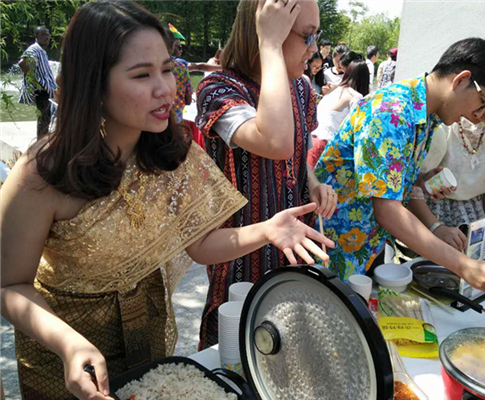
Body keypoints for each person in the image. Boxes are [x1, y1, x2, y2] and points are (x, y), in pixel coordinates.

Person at [0, 2, 334, 400]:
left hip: (147, 332)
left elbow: (201, 245)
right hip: (61, 351)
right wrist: (67, 343)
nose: (166, 88)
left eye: (166, 68)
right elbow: (10, 284)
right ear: (94, 83)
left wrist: (267, 230)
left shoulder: (174, 154)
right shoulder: (44, 171)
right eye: (142, 74)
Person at [314, 38, 485, 297]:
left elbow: (388, 186)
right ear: (461, 80)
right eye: (484, 101)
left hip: (364, 249)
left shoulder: (426, 117)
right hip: (331, 250)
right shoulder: (392, 112)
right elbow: (387, 210)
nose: (479, 114)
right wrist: (464, 265)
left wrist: (420, 182)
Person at [194, 0, 337, 350]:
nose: (314, 49)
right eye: (306, 36)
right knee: (239, 360)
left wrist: (313, 183)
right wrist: (270, 44)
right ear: (264, 28)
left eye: (316, 36)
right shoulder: (219, 89)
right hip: (241, 260)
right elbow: (275, 141)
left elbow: (295, 151)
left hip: (292, 253)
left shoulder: (301, 88)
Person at [408, 48, 485, 251]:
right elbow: (411, 184)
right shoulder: (449, 113)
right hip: (430, 210)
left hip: (473, 214)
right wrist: (436, 225)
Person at [307, 59, 369, 168]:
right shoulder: (356, 96)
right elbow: (356, 127)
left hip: (311, 141)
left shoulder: (333, 90)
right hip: (326, 146)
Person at [18, 26, 57, 139]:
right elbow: (22, 63)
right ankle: (40, 145)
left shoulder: (41, 51)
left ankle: (42, 143)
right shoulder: (34, 49)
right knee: (44, 119)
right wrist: (35, 82)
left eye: (48, 34)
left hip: (46, 91)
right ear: (36, 37)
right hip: (41, 91)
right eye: (43, 34)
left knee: (46, 118)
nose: (47, 37)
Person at [165, 29, 192, 123]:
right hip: (176, 118)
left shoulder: (151, 65)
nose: (181, 50)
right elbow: (188, 100)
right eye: (179, 47)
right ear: (171, 47)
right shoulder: (181, 66)